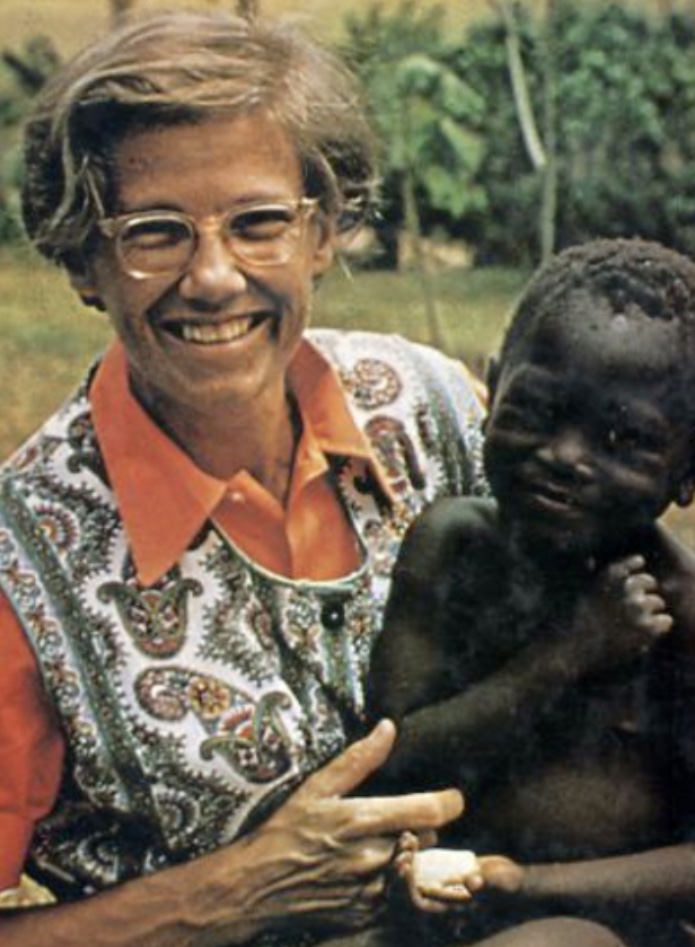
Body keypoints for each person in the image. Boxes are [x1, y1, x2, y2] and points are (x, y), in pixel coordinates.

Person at [0, 9, 493, 945]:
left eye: (260, 223)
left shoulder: (435, 411)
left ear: (323, 233)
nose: (215, 277)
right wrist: (227, 895)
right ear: (83, 263)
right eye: (154, 233)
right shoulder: (18, 567)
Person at [367, 238, 695, 947]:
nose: (564, 456)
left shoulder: (683, 611)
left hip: (607, 925)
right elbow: (390, 763)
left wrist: (524, 883)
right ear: (492, 390)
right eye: (535, 411)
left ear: (687, 468)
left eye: (624, 441)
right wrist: (568, 653)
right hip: (437, 912)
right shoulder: (454, 547)